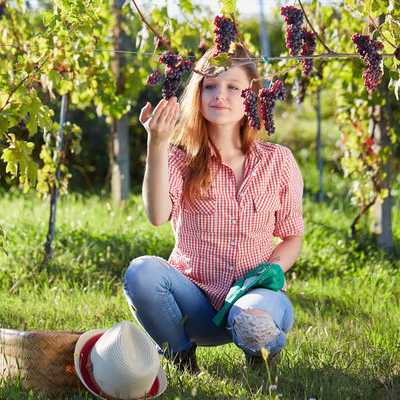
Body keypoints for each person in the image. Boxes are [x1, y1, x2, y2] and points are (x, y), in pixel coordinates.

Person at [123, 43, 304, 374]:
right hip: (196, 307)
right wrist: (157, 143)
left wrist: (273, 269)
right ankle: (181, 357)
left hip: (255, 298)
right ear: (198, 93)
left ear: (251, 96)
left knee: (254, 324)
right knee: (141, 272)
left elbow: (292, 236)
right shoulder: (180, 157)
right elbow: (156, 215)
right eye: (210, 85)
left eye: (233, 87)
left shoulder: (278, 161)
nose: (219, 95)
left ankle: (259, 353)